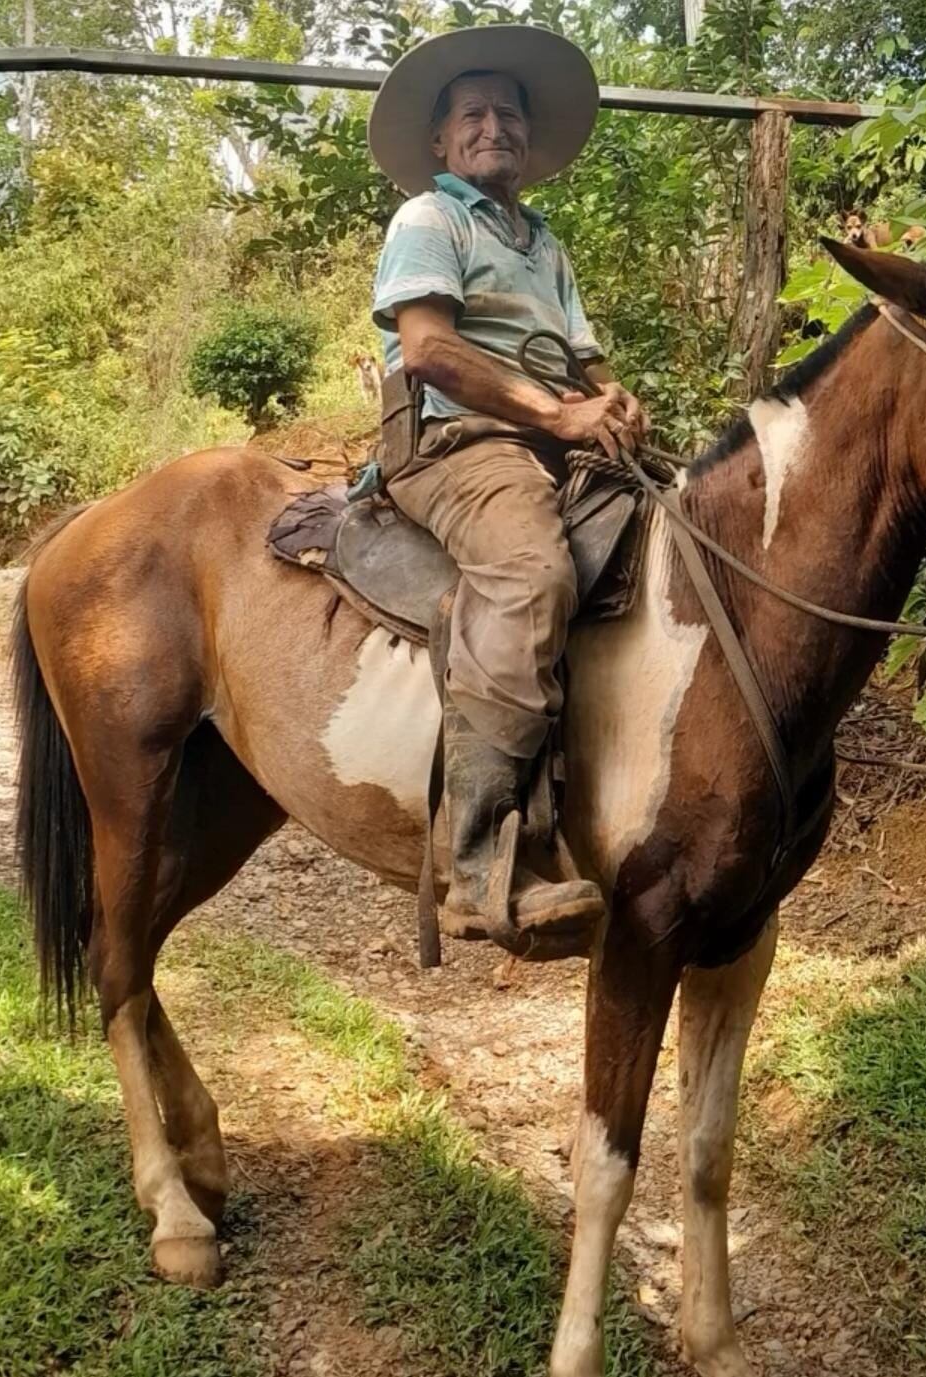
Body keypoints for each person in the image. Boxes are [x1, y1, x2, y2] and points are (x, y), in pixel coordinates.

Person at [367, 25, 645, 956]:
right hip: (452, 441)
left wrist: (611, 401)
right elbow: (430, 348)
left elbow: (589, 362)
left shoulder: (544, 243)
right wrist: (559, 416)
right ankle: (480, 859)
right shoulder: (428, 220)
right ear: (442, 143)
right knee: (531, 573)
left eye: (508, 115)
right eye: (472, 115)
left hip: (545, 437)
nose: (494, 127)